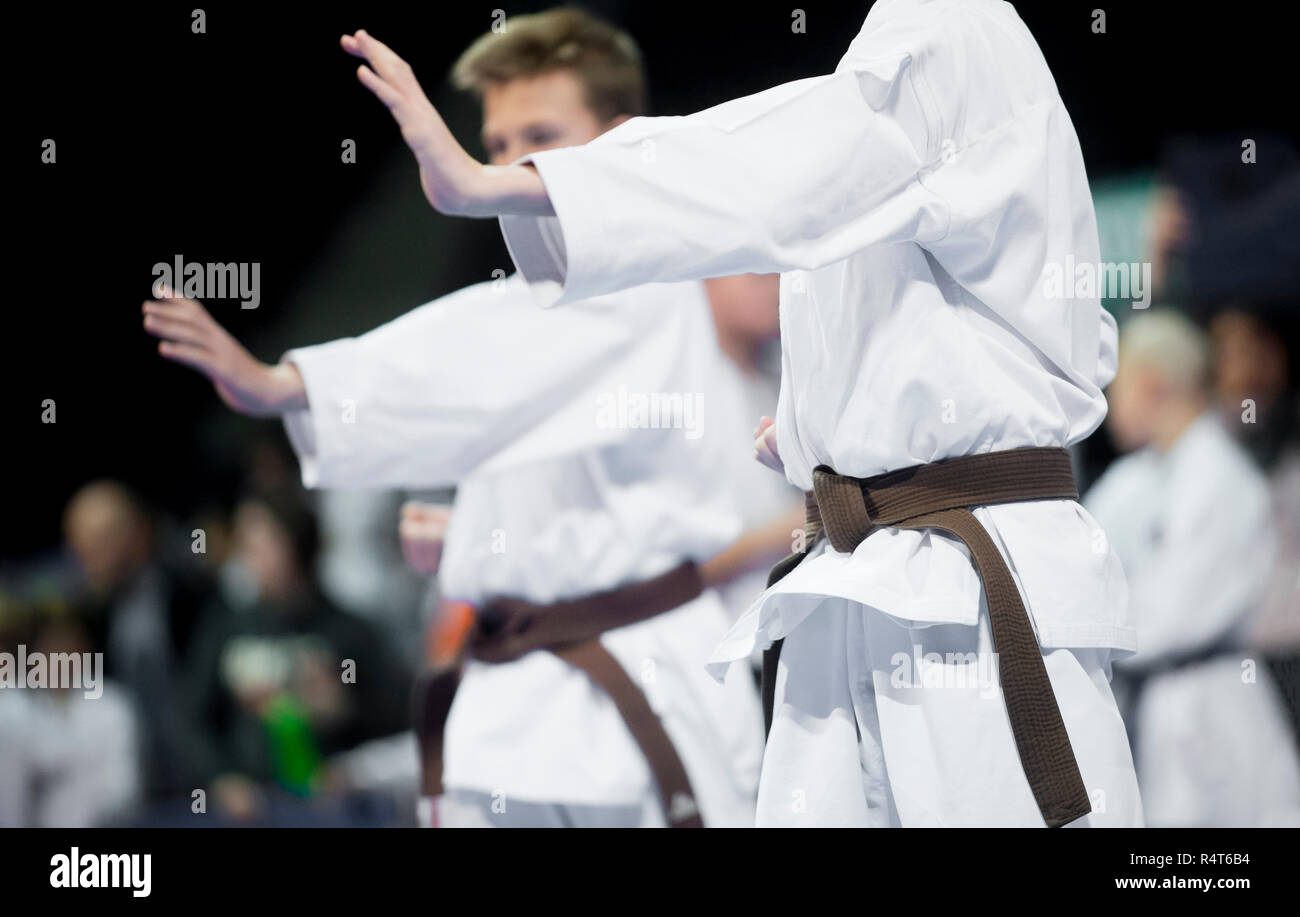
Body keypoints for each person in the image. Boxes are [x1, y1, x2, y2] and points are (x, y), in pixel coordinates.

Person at [337, 0, 1144, 826]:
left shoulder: (955, 31)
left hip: (959, 583)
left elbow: (786, 167)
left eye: (535, 137)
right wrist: (814, 440)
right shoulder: (880, 71)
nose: (514, 152)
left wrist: (508, 185)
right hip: (863, 575)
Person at [144, 8, 765, 827]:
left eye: (540, 134)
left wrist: (288, 385)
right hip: (506, 705)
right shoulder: (529, 311)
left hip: (633, 702)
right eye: (498, 144)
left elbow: (491, 357)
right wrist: (473, 534)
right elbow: (515, 400)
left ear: (622, 139)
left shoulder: (652, 282)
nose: (510, 165)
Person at [1085, 310, 1300, 826]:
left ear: (1155, 384)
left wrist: (1088, 624)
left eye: (1118, 386)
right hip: (1153, 705)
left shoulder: (1222, 475)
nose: (1108, 405)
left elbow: (1166, 616)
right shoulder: (1137, 477)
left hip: (1213, 706)